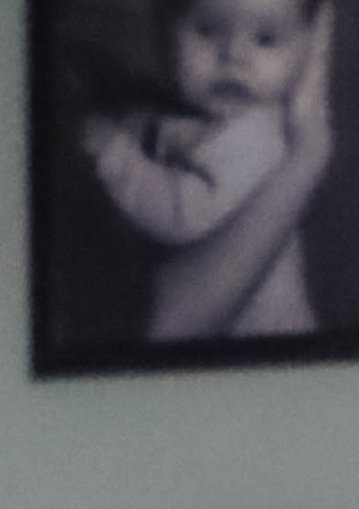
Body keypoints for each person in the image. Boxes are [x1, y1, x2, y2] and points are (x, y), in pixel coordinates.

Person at [81, 0, 326, 340]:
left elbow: (181, 215)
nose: (235, 56)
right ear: (166, 30)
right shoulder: (217, 120)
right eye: (209, 31)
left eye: (266, 39)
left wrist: (113, 155)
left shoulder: (258, 137)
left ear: (307, 50)